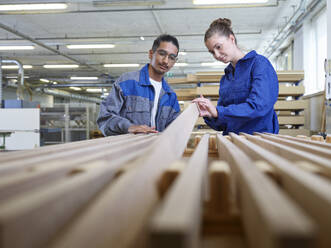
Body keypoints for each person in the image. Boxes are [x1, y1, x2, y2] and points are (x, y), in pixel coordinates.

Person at [192, 18, 279, 135]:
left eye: (218, 47)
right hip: (232, 142)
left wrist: (218, 112)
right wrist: (210, 115)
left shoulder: (259, 64)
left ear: (231, 39)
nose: (216, 55)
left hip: (260, 141)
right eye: (212, 52)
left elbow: (259, 106)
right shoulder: (226, 78)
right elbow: (223, 123)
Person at [97, 34, 180, 136]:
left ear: (175, 62)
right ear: (151, 53)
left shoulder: (170, 95)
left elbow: (174, 131)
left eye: (171, 57)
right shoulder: (126, 83)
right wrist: (129, 127)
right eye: (162, 54)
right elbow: (105, 118)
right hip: (127, 150)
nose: (166, 61)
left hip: (156, 150)